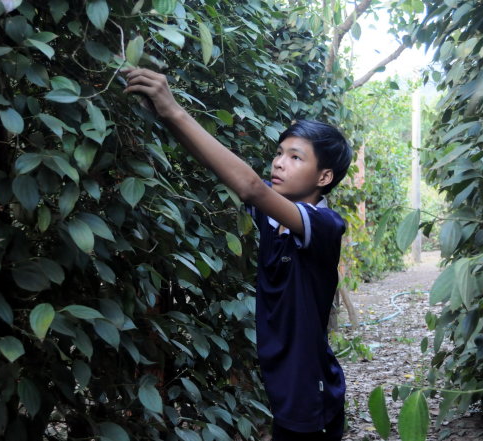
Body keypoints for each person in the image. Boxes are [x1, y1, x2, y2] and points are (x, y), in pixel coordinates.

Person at [123, 68, 353, 441]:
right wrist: (166, 117)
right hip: (282, 380)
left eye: (295, 157)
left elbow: (248, 187)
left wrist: (174, 109)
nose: (278, 162)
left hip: (308, 387)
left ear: (323, 177)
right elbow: (224, 169)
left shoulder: (323, 225)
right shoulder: (271, 215)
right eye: (279, 153)